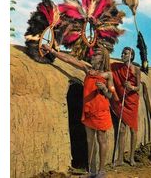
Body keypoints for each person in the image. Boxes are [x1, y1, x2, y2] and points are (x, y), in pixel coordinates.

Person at [43, 44, 114, 178]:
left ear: (103, 58)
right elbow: (69, 59)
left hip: (101, 111)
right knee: (90, 141)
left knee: (101, 140)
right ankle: (92, 171)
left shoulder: (108, 75)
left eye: (96, 54)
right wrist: (52, 51)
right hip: (88, 111)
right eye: (93, 54)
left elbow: (111, 94)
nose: (93, 56)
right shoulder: (87, 69)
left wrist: (104, 89)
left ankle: (102, 171)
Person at [110, 47, 141, 166]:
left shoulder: (136, 69)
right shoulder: (117, 67)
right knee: (122, 129)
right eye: (122, 52)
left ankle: (132, 158)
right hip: (122, 101)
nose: (123, 54)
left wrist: (131, 87)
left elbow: (138, 87)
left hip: (132, 101)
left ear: (131, 56)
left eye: (126, 53)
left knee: (133, 129)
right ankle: (119, 159)